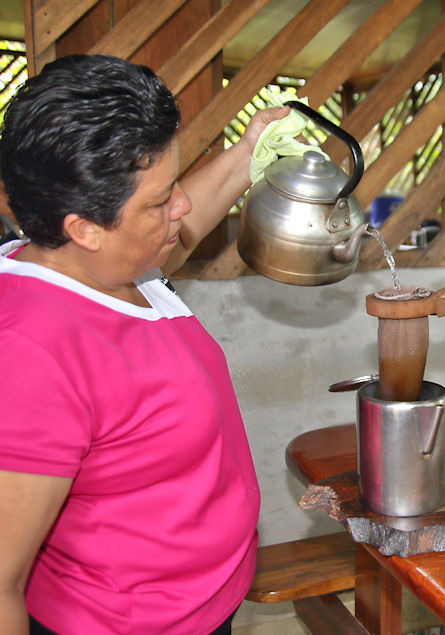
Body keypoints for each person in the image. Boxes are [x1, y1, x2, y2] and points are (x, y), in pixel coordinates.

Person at [0, 54, 290, 634]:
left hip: (199, 602)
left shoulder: (106, 266)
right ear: (85, 228)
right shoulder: (32, 354)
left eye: (175, 183)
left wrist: (249, 152)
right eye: (160, 202)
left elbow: (176, 232)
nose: (181, 206)